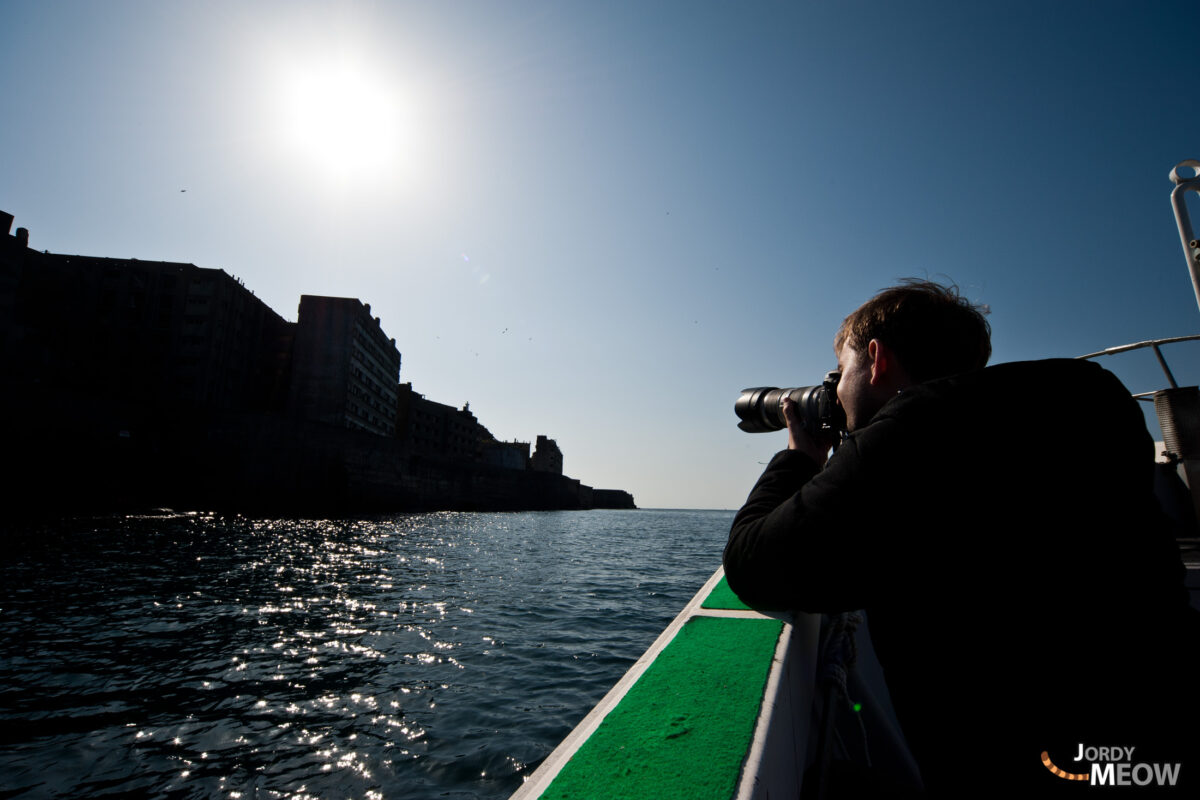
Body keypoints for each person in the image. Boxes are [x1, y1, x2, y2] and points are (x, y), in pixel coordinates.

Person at [723, 280, 1200, 798]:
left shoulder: (911, 438)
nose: (836, 390)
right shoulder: (1089, 403)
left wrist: (799, 457)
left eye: (842, 371)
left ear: (876, 360)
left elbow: (754, 565)